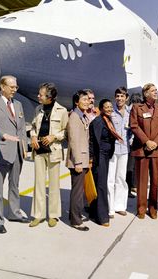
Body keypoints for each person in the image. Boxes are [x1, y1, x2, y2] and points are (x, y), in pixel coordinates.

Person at [0, 75, 28, 234]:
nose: (14, 90)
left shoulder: (18, 104)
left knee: (14, 185)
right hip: (1, 150)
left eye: (16, 87)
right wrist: (3, 135)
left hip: (17, 151)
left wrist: (24, 146)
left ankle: (14, 213)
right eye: (12, 87)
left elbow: (22, 127)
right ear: (2, 87)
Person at [29, 83, 68, 227]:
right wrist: (33, 136)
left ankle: (53, 215)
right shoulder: (38, 109)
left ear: (49, 97)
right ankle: (38, 215)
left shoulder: (62, 111)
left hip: (54, 151)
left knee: (54, 184)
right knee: (38, 184)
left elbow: (65, 131)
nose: (38, 96)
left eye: (41, 94)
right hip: (39, 150)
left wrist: (53, 137)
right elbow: (33, 127)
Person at [130, 83, 158, 219]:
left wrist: (154, 143)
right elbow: (134, 126)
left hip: (156, 150)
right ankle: (141, 209)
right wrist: (146, 141)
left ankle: (153, 209)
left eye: (156, 90)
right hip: (142, 149)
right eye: (153, 91)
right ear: (146, 93)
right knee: (141, 181)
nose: (156, 92)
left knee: (154, 182)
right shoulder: (136, 108)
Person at [89, 99, 120, 226]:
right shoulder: (98, 121)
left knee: (101, 183)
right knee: (101, 185)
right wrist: (91, 158)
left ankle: (95, 211)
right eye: (106, 107)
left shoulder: (107, 120)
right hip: (99, 155)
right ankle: (102, 217)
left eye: (110, 107)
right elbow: (92, 141)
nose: (109, 109)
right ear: (101, 108)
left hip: (106, 155)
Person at [66, 90, 91, 231]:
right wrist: (78, 162)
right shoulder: (75, 117)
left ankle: (74, 215)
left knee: (78, 190)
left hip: (82, 158)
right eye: (84, 100)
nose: (87, 102)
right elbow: (74, 141)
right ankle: (76, 220)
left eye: (88, 100)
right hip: (78, 160)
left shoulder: (83, 116)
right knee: (77, 191)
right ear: (77, 102)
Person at [107, 87, 131, 218]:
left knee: (121, 178)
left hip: (125, 150)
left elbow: (132, 130)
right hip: (112, 150)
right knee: (110, 179)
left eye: (122, 96)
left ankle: (120, 206)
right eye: (117, 96)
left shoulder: (130, 112)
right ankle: (110, 208)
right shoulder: (111, 112)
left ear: (126, 97)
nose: (119, 98)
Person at [126, 92, 143, 198]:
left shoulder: (128, 109)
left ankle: (132, 186)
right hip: (131, 142)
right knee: (130, 167)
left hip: (129, 142)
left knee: (130, 166)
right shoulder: (132, 111)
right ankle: (129, 188)